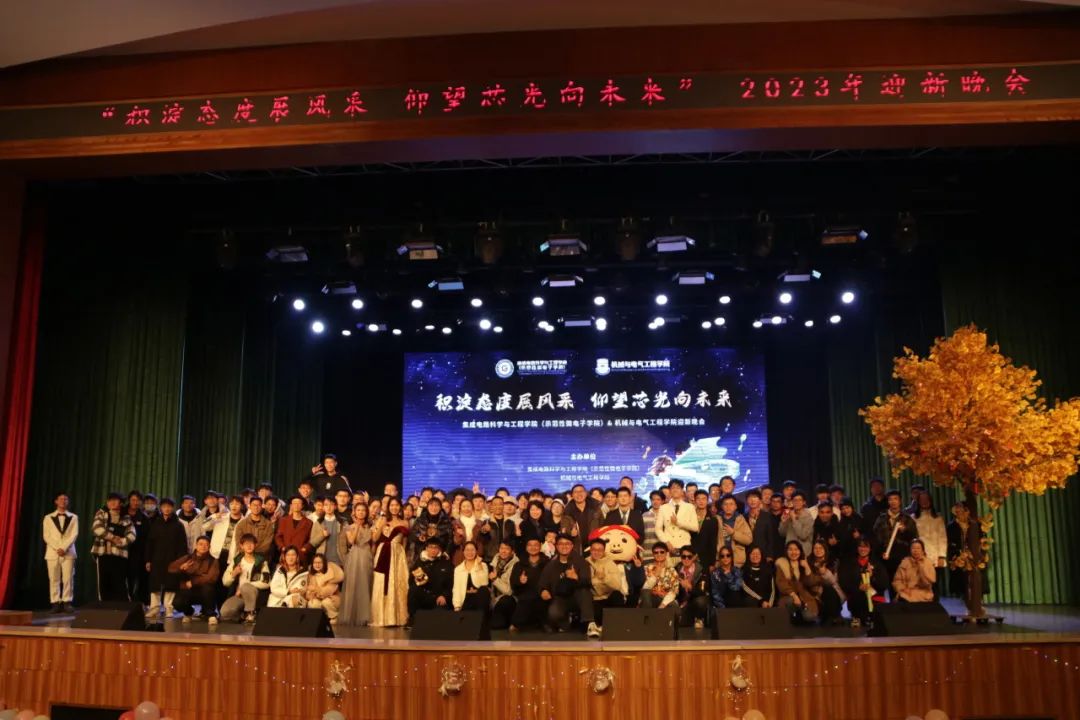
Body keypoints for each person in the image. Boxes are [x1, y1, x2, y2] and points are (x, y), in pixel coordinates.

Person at [539, 534, 596, 636]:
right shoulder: (551, 564)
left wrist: (576, 578)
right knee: (554, 613)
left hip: (578, 597)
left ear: (572, 546)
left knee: (585, 591)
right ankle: (566, 622)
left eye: (567, 544)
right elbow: (543, 582)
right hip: (560, 598)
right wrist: (543, 590)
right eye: (561, 544)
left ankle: (590, 624)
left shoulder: (581, 562)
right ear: (556, 546)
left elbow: (587, 582)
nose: (564, 546)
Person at [144, 497, 189, 619]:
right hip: (157, 559)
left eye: (169, 506)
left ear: (173, 508)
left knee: (171, 584)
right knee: (155, 585)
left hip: (173, 560)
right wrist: (148, 560)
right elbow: (150, 543)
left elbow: (182, 545)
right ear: (161, 508)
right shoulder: (155, 524)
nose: (167, 509)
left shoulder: (178, 525)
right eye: (164, 506)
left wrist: (180, 561)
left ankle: (169, 608)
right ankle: (154, 608)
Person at [371, 497, 410, 626]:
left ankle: (397, 618)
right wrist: (381, 524)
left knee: (398, 584)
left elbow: (405, 543)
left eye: (397, 505)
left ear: (400, 507)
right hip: (383, 553)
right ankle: (382, 618)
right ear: (388, 507)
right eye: (392, 505)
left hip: (398, 555)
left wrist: (403, 558)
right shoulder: (382, 520)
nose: (394, 507)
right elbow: (375, 538)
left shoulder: (405, 522)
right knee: (382, 583)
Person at [91, 492, 136, 602]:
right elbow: (96, 528)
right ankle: (104, 606)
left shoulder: (126, 517)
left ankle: (121, 607)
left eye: (115, 500)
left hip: (119, 554)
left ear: (120, 503)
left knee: (120, 582)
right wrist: (112, 537)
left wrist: (122, 541)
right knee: (103, 582)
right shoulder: (101, 513)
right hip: (103, 553)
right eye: (110, 500)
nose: (112, 502)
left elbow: (132, 534)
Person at [220, 533, 271, 624]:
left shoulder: (261, 561)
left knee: (246, 587)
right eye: (246, 543)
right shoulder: (236, 561)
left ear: (255, 545)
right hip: (239, 596)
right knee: (224, 612)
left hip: (255, 594)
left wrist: (245, 586)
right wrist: (234, 573)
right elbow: (225, 582)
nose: (249, 546)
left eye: (251, 543)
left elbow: (267, 582)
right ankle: (242, 616)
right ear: (241, 546)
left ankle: (250, 613)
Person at [168, 536, 220, 624]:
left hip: (203, 590)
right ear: (196, 546)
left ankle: (211, 615)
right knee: (177, 603)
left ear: (209, 547)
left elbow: (211, 577)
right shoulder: (188, 558)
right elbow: (171, 568)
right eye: (201, 544)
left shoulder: (213, 561)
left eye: (206, 545)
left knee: (208, 589)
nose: (203, 547)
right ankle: (188, 612)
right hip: (188, 590)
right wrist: (181, 568)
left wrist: (193, 582)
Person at [838, 538, 889, 627]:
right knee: (857, 598)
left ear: (870, 548)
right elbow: (844, 581)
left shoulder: (877, 563)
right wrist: (858, 587)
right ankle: (858, 618)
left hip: (874, 596)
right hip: (856, 596)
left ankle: (870, 619)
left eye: (866, 547)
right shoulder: (849, 563)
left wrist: (873, 577)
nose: (863, 549)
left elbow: (884, 583)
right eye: (860, 546)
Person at [338, 501, 374, 626]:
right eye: (358, 510)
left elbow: (373, 543)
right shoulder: (349, 527)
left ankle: (364, 616)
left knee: (365, 584)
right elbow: (351, 541)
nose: (361, 512)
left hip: (367, 556)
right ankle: (352, 615)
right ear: (354, 512)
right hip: (355, 556)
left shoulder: (370, 527)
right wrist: (357, 526)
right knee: (353, 585)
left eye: (363, 510)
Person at [208, 495, 246, 611]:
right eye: (232, 503)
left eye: (237, 504)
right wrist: (214, 517)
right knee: (214, 583)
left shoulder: (244, 521)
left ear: (242, 506)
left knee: (228, 584)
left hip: (232, 556)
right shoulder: (221, 517)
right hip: (216, 555)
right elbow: (205, 526)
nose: (234, 506)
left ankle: (224, 610)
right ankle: (213, 610)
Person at [43, 492, 78, 613]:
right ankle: (55, 603)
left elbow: (74, 534)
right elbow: (46, 536)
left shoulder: (74, 517)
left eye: (66, 499)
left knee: (68, 578)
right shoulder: (48, 517)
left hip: (68, 552)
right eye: (61, 499)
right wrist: (58, 548)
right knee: (54, 578)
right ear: (56, 501)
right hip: (53, 552)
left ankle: (67, 602)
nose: (63, 501)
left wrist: (64, 547)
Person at [946, 501, 987, 602]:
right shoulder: (951, 526)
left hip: (974, 555)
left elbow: (982, 540)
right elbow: (949, 543)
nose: (960, 513)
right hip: (960, 556)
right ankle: (966, 599)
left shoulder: (976, 524)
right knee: (963, 581)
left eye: (962, 510)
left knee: (977, 579)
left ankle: (977, 601)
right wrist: (957, 554)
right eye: (957, 511)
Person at [585, 537, 627, 633]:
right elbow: (589, 584)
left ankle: (616, 626)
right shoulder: (585, 563)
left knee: (617, 595)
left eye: (600, 550)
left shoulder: (610, 563)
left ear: (604, 551)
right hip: (594, 599)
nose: (597, 552)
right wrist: (598, 582)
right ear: (590, 550)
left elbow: (617, 585)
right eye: (594, 549)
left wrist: (604, 577)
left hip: (608, 597)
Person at [873, 489, 917, 581]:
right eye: (890, 499)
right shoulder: (881, 518)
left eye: (895, 499)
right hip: (885, 557)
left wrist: (905, 531)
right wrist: (880, 552)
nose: (893, 502)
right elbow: (875, 537)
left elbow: (914, 537)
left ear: (900, 501)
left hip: (902, 557)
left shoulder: (907, 518)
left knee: (902, 582)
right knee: (888, 582)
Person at [407, 537, 454, 623]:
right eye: (430, 547)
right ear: (426, 548)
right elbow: (411, 581)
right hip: (424, 596)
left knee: (438, 620)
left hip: (439, 598)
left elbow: (451, 583)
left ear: (439, 549)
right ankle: (412, 618)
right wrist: (418, 580)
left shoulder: (446, 563)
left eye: (435, 547)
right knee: (413, 590)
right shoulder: (419, 562)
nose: (433, 550)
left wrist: (445, 596)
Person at [774, 540, 821, 623]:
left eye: (796, 549)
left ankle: (800, 616)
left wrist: (806, 567)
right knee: (789, 601)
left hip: (805, 598)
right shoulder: (782, 563)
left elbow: (811, 583)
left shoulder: (805, 563)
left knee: (810, 617)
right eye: (790, 549)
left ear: (800, 551)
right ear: (786, 551)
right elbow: (781, 583)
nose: (793, 552)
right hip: (788, 597)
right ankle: (792, 616)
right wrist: (794, 596)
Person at [509, 538, 548, 630]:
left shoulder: (548, 563)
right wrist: (520, 581)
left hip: (543, 594)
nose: (533, 547)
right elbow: (513, 583)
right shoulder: (519, 564)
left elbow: (552, 580)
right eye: (530, 545)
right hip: (525, 596)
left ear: (540, 546)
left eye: (536, 545)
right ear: (526, 547)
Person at [655, 479, 697, 554]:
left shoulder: (690, 507)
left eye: (678, 488)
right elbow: (658, 529)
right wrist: (666, 542)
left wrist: (678, 522)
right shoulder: (663, 508)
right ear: (669, 491)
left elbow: (695, 527)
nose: (675, 490)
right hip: (668, 546)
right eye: (673, 488)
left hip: (685, 546)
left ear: (682, 491)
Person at [808, 540, 844, 625]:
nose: (818, 550)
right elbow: (809, 581)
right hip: (815, 592)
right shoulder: (808, 563)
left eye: (821, 548)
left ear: (825, 549)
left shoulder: (833, 562)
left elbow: (834, 581)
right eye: (815, 548)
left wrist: (825, 572)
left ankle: (834, 616)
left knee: (828, 589)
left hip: (833, 592)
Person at [912, 491, 948, 575]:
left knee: (935, 581)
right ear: (918, 502)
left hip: (935, 557)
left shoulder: (938, 518)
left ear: (930, 501)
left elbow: (942, 538)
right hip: (919, 556)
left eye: (926, 499)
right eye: (922, 499)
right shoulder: (913, 518)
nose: (924, 501)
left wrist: (942, 556)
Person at [125, 491, 150, 605]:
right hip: (120, 551)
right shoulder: (121, 513)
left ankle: (134, 602)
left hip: (137, 553)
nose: (135, 502)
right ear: (129, 501)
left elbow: (147, 538)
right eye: (133, 500)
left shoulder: (144, 518)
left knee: (135, 578)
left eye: (138, 500)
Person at [675, 546, 710, 628]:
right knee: (681, 625)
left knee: (701, 601)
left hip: (694, 601)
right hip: (681, 602)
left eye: (689, 557)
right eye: (684, 557)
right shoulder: (676, 570)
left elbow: (702, 592)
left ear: (694, 557)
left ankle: (699, 618)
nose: (686, 559)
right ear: (681, 558)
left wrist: (690, 587)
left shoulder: (702, 571)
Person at [893, 538, 937, 603]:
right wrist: (903, 588)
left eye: (918, 548)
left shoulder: (928, 563)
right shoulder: (905, 562)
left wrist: (921, 567)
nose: (915, 550)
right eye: (913, 548)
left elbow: (930, 581)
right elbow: (897, 580)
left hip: (924, 593)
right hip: (906, 592)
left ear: (923, 551)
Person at [452, 541, 490, 615]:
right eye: (467, 550)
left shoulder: (483, 565)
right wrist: (457, 606)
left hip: (479, 598)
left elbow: (484, 583)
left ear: (476, 551)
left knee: (484, 590)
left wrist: (479, 566)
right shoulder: (458, 569)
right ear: (463, 552)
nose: (470, 552)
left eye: (472, 550)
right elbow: (456, 589)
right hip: (465, 598)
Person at [276, 496, 316, 566]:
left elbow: (311, 539)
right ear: (291, 505)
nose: (296, 505)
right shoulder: (283, 520)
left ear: (302, 506)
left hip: (300, 555)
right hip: (286, 554)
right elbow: (278, 536)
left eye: (299, 503)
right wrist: (282, 547)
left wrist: (305, 548)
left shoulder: (309, 522)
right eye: (294, 503)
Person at [305, 553, 344, 624]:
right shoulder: (312, 575)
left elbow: (328, 591)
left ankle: (334, 616)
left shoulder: (331, 574)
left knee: (326, 602)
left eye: (320, 562)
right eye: (315, 563)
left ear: (324, 563)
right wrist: (310, 595)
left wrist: (315, 590)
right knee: (312, 603)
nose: (317, 565)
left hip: (331, 598)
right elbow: (308, 590)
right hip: (318, 598)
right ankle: (319, 618)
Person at [640, 543, 680, 610]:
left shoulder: (672, 570)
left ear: (666, 553)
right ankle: (647, 615)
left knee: (674, 606)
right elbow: (645, 589)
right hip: (650, 598)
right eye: (656, 552)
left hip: (664, 599)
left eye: (662, 552)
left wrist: (662, 605)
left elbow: (674, 591)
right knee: (646, 593)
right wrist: (655, 575)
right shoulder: (646, 568)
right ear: (653, 554)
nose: (659, 554)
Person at [489, 540, 519, 630]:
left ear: (512, 551)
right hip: (494, 598)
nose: (503, 551)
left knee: (497, 625)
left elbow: (509, 591)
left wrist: (495, 579)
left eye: (507, 549)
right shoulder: (494, 562)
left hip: (508, 600)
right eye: (501, 548)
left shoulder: (516, 565)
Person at [716, 494, 752, 568]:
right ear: (722, 506)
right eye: (725, 504)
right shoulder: (716, 519)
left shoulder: (740, 519)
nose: (728, 507)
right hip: (720, 560)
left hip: (737, 561)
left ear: (735, 506)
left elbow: (748, 540)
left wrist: (733, 533)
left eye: (731, 504)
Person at [744, 489, 778, 565]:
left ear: (760, 500)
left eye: (755, 497)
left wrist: (770, 555)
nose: (752, 500)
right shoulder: (743, 517)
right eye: (750, 498)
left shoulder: (768, 516)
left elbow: (771, 537)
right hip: (747, 554)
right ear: (746, 501)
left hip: (764, 553)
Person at [565, 484, 601, 552]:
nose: (579, 494)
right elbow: (564, 528)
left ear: (586, 493)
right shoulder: (567, 511)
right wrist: (570, 532)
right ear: (572, 495)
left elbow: (603, 525)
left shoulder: (596, 507)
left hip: (596, 545)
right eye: (576, 492)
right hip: (576, 548)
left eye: (581, 491)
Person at [689, 490, 719, 570]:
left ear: (707, 500)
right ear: (694, 500)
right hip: (690, 556)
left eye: (703, 499)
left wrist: (712, 562)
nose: (701, 501)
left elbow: (713, 542)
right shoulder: (689, 516)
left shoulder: (713, 519)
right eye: (698, 499)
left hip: (706, 558)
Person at [779, 491, 814, 557]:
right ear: (792, 502)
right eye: (795, 500)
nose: (797, 502)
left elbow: (803, 535)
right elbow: (782, 533)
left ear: (804, 502)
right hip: (789, 552)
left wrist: (794, 519)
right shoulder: (789, 514)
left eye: (799, 500)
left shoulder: (808, 517)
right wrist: (783, 522)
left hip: (803, 553)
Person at [317, 497, 344, 567]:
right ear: (323, 507)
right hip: (322, 558)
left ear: (335, 507)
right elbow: (313, 542)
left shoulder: (342, 522)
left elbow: (348, 542)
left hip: (339, 558)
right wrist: (322, 535)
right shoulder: (318, 523)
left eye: (331, 504)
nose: (329, 507)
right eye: (326, 505)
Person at [641, 491, 664, 567]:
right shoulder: (644, 515)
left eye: (658, 499)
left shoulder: (666, 516)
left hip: (662, 554)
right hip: (647, 554)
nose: (655, 502)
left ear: (662, 501)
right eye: (653, 499)